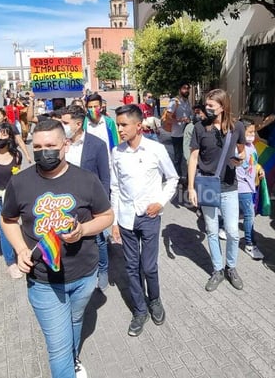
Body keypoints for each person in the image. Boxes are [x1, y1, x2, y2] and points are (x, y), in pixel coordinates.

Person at [0, 120, 114, 378]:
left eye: (51, 145)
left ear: (66, 144)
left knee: (75, 320)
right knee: (58, 348)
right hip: (43, 281)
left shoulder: (86, 180)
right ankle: (67, 362)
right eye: (38, 146)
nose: (44, 152)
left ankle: (74, 359)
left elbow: (107, 216)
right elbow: (7, 220)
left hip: (84, 275)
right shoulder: (20, 183)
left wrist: (82, 230)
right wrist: (20, 249)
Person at [109, 104, 178, 336]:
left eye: (123, 125)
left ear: (139, 126)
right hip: (127, 219)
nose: (119, 129)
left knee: (148, 267)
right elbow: (115, 187)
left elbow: (172, 178)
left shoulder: (155, 150)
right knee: (131, 267)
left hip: (149, 217)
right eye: (118, 125)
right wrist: (115, 221)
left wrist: (160, 202)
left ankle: (155, 300)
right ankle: (139, 310)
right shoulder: (117, 152)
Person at [187, 88, 247, 292]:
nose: (207, 108)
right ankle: (218, 269)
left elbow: (243, 151)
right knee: (212, 230)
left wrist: (241, 160)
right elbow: (194, 158)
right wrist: (191, 187)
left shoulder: (237, 126)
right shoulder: (199, 128)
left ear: (223, 107)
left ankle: (231, 267)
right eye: (206, 105)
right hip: (206, 184)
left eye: (211, 105)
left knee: (232, 232)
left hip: (229, 185)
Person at [62, 104, 111, 291]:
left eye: (66, 122)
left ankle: (103, 269)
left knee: (98, 239)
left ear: (78, 123)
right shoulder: (62, 144)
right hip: (67, 201)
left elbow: (105, 177)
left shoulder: (97, 145)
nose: (63, 125)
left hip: (91, 202)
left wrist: (103, 205)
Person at [0, 122, 24, 279]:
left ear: (10, 137)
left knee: (13, 226)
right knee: (4, 229)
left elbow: (17, 176)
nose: (0, 137)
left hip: (11, 197)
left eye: (4, 134)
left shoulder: (16, 156)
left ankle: (19, 250)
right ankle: (11, 262)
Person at [237, 120, 266, 260]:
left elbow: (254, 163)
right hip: (242, 187)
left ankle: (222, 226)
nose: (252, 135)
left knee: (238, 212)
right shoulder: (238, 148)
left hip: (251, 186)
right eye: (249, 132)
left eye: (253, 132)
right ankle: (249, 243)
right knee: (249, 214)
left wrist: (260, 170)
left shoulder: (252, 147)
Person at [164, 82, 193, 178]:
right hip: (177, 134)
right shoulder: (174, 101)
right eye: (184, 88)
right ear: (180, 90)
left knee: (187, 155)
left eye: (188, 88)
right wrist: (180, 120)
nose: (187, 90)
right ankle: (178, 176)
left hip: (187, 133)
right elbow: (168, 117)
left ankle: (188, 176)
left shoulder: (187, 102)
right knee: (178, 157)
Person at [182, 104, 205, 169]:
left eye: (199, 112)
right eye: (195, 112)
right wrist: (189, 160)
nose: (197, 115)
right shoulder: (189, 127)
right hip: (193, 161)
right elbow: (186, 145)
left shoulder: (208, 126)